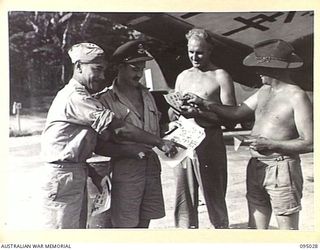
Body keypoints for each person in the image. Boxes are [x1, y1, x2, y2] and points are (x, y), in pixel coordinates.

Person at [40, 42, 178, 229]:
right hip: (65, 174)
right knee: (62, 233)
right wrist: (156, 143)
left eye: (103, 70)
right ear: (78, 66)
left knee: (77, 230)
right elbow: (117, 128)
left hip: (77, 171)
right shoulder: (78, 97)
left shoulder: (144, 95)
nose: (102, 76)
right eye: (96, 69)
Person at [183, 39, 313, 230]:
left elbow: (310, 143)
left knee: (288, 233)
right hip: (256, 166)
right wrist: (203, 104)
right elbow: (236, 112)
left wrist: (272, 145)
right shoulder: (264, 91)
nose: (256, 71)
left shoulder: (296, 96)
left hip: (281, 168)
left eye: (260, 66)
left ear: (273, 68)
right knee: (256, 231)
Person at [94, 40, 168, 228]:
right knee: (125, 226)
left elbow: (156, 127)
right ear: (119, 67)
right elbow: (100, 145)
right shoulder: (105, 100)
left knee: (145, 221)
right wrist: (128, 151)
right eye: (134, 68)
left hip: (151, 166)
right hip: (125, 170)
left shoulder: (147, 95)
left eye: (142, 69)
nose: (139, 74)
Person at [169, 28, 236, 229]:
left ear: (210, 50)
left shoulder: (220, 76)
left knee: (214, 196)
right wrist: (176, 109)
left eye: (199, 52)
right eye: (191, 52)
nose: (194, 57)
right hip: (184, 142)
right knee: (184, 198)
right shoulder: (182, 76)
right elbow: (172, 114)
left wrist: (199, 112)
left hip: (210, 141)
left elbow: (231, 119)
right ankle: (187, 237)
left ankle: (220, 234)